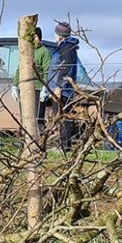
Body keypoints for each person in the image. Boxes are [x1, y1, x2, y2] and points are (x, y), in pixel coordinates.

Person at [47, 21, 83, 151]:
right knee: (61, 115)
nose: (55, 37)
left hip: (63, 89)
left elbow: (65, 68)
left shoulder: (67, 48)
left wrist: (58, 87)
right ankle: (63, 144)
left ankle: (64, 145)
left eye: (56, 34)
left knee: (63, 116)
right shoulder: (65, 46)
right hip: (62, 87)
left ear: (60, 35)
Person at [13, 25, 51, 132]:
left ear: (39, 38)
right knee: (25, 117)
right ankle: (25, 140)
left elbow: (47, 71)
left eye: (35, 37)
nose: (33, 39)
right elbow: (19, 69)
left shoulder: (44, 52)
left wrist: (45, 87)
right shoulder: (27, 51)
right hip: (24, 88)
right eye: (32, 37)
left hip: (38, 88)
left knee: (38, 116)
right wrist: (15, 85)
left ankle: (38, 140)